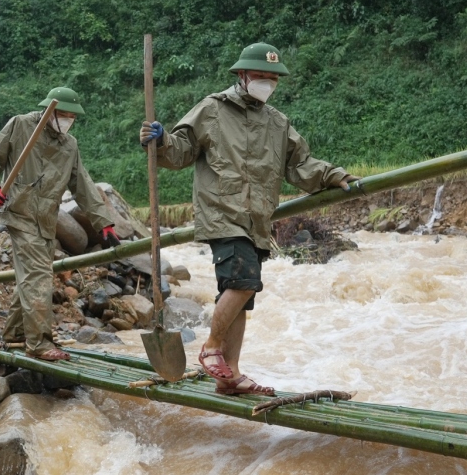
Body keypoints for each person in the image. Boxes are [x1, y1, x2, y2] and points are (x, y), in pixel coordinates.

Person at [140, 42, 356, 396]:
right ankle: (210, 348)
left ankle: (231, 377)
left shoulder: (277, 122)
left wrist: (333, 175)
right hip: (222, 213)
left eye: (272, 79)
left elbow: (300, 165)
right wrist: (160, 141)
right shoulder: (211, 110)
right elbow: (179, 152)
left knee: (240, 295)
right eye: (260, 76)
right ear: (241, 75)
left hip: (257, 220)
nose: (267, 84)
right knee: (243, 282)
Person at [0, 86, 121, 361]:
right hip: (19, 214)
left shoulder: (70, 145)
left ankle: (15, 334)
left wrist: (104, 222)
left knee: (31, 276)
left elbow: (83, 184)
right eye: (63, 115)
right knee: (39, 277)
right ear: (49, 111)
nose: (68, 121)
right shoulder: (21, 126)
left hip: (46, 220)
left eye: (72, 117)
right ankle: (39, 344)